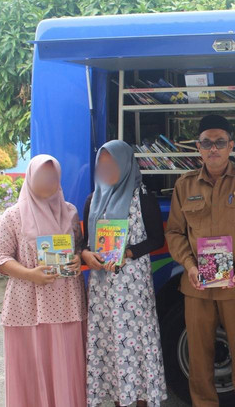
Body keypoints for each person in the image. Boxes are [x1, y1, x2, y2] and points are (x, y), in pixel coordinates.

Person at [165, 115, 235, 407]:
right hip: (196, 286)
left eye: (220, 142)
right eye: (207, 143)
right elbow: (174, 231)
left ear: (231, 145)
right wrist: (189, 265)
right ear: (198, 147)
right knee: (199, 360)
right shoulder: (184, 186)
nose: (214, 148)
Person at [0, 154, 87, 407]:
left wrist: (79, 259)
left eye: (52, 176)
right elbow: (0, 259)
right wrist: (30, 274)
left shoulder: (69, 211)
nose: (48, 181)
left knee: (65, 365)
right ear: (30, 178)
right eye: (42, 176)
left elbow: (78, 247)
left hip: (66, 303)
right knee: (32, 368)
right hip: (28, 306)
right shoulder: (12, 216)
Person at [80, 140, 167, 407]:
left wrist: (128, 253)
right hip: (103, 289)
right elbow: (85, 243)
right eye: (102, 164)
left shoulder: (142, 197)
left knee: (136, 348)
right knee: (111, 349)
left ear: (126, 164)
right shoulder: (93, 199)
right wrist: (86, 255)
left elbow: (157, 239)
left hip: (133, 289)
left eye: (112, 163)